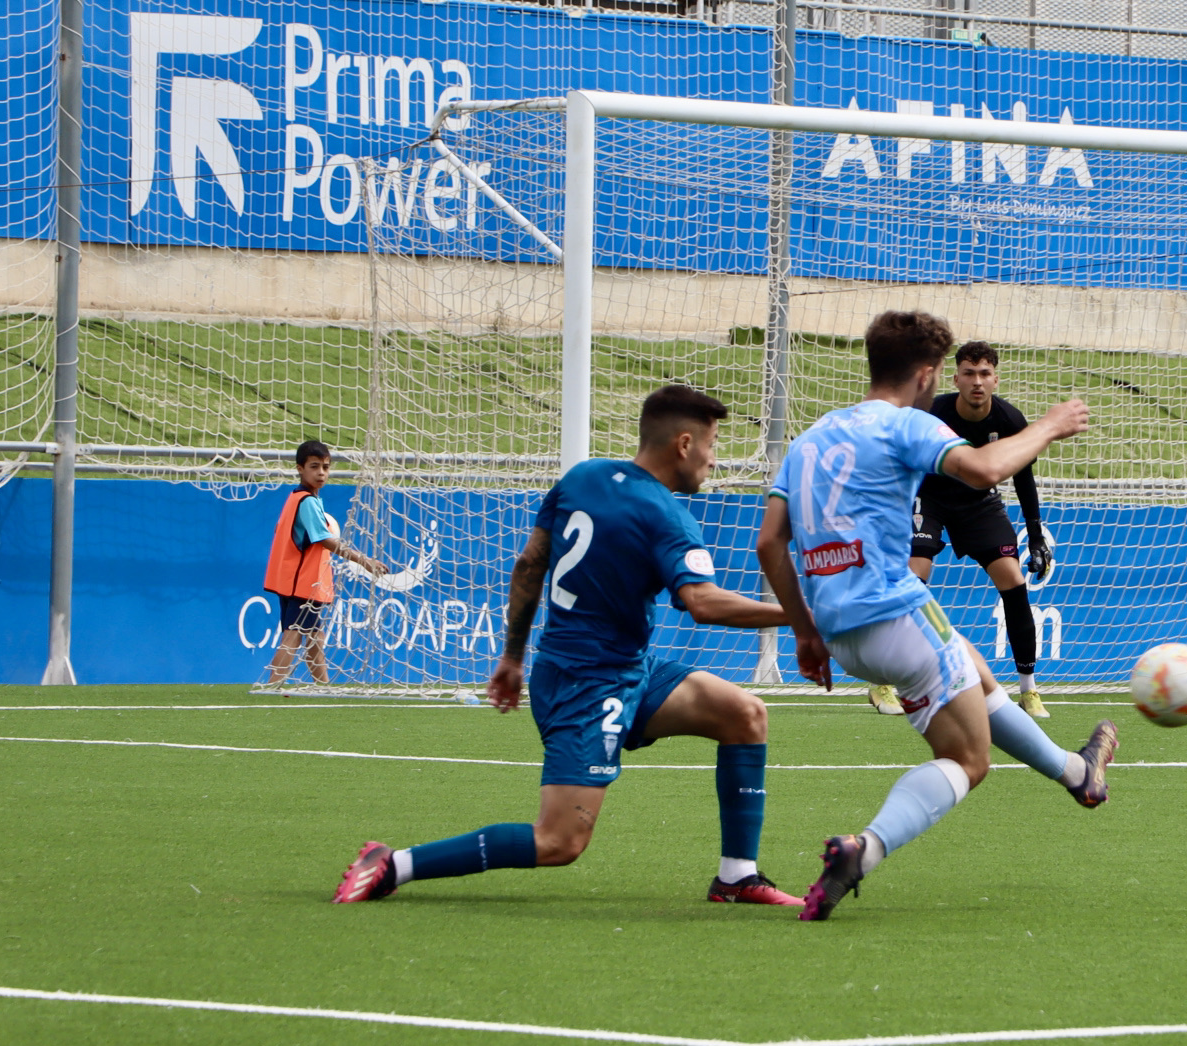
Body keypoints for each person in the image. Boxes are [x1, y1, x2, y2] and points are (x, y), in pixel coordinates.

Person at [334, 385, 802, 907]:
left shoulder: (583, 477)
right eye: (714, 445)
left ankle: (737, 877)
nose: (716, 460)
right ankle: (393, 864)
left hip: (615, 667)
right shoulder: (664, 515)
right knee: (559, 841)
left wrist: (512, 657)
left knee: (744, 714)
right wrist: (803, 615)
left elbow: (530, 564)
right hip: (589, 683)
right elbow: (704, 604)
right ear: (685, 444)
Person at [755, 310, 1117, 922]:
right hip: (897, 616)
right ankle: (863, 850)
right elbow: (982, 469)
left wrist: (805, 632)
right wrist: (1051, 425)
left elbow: (769, 543)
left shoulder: (810, 437)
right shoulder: (903, 425)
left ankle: (1077, 772)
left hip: (842, 633)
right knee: (969, 762)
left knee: (974, 669)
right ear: (927, 376)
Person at [872, 340, 1056, 719]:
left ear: (995, 379)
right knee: (914, 576)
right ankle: (883, 678)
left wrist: (1035, 533)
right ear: (955, 378)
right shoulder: (931, 413)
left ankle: (1028, 689)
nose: (977, 381)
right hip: (931, 498)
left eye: (985, 374)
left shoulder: (1009, 421)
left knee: (1013, 580)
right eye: (969, 374)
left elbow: (1023, 478)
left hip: (979, 503)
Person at [263, 439, 388, 688]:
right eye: (314, 466)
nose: (321, 473)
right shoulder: (307, 501)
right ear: (300, 469)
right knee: (294, 633)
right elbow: (325, 540)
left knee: (314, 636)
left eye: (325, 467)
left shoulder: (297, 498)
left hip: (295, 580)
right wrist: (364, 560)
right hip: (303, 581)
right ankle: (272, 686)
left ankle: (323, 686)